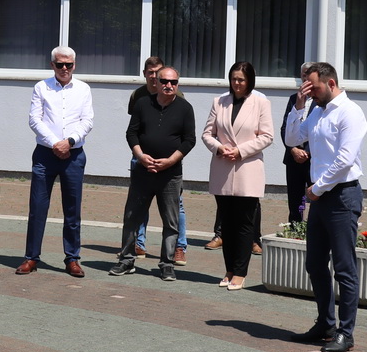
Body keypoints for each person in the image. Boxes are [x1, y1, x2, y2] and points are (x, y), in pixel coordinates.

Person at [283, 62, 367, 352]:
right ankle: (325, 323)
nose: (311, 92)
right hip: (319, 196)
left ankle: (346, 332)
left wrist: (316, 189)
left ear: (331, 83)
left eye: (314, 87)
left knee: (344, 268)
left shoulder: (350, 112)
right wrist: (298, 106)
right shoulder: (316, 110)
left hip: (341, 196)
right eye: (307, 87)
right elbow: (291, 139)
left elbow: (345, 158)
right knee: (315, 263)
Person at [112, 66, 196, 281]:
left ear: (178, 84)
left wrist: (170, 161)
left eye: (174, 82)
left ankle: (167, 264)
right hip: (143, 171)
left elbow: (189, 140)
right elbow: (132, 133)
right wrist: (140, 156)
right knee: (132, 218)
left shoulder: (185, 108)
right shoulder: (142, 103)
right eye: (165, 81)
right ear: (156, 82)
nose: (169, 86)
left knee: (171, 222)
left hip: (170, 175)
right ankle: (126, 260)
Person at [18, 46, 94, 278]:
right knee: (38, 208)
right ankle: (32, 257)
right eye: (59, 64)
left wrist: (69, 141)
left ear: (74, 65)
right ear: (52, 64)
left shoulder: (83, 89)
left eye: (68, 64)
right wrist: (55, 143)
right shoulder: (41, 87)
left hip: (73, 155)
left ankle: (72, 258)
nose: (64, 68)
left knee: (72, 210)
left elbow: (87, 120)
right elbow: (34, 119)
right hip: (45, 154)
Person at [201, 61, 274, 289]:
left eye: (241, 79)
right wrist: (218, 147)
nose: (237, 83)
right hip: (222, 168)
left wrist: (241, 150)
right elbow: (207, 134)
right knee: (227, 224)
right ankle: (229, 269)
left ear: (250, 80)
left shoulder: (261, 103)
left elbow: (267, 136)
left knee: (244, 224)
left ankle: (240, 272)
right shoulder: (219, 102)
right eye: (233, 79)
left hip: (247, 169)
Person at [129, 56, 188, 263]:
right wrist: (140, 155)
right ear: (145, 74)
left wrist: (171, 160)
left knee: (175, 207)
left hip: (169, 162)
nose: (156, 78)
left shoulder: (178, 97)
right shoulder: (138, 95)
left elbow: (186, 137)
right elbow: (135, 129)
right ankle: (139, 244)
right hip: (142, 159)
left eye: (159, 73)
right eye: (151, 73)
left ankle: (179, 247)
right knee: (138, 206)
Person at [280, 62, 320, 225]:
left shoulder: (321, 101)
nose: (306, 78)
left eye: (309, 75)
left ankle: (314, 230)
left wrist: (308, 152)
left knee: (316, 198)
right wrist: (293, 149)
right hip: (293, 158)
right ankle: (294, 230)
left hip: (313, 159)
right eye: (303, 75)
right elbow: (285, 127)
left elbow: (318, 130)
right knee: (294, 200)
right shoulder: (293, 99)